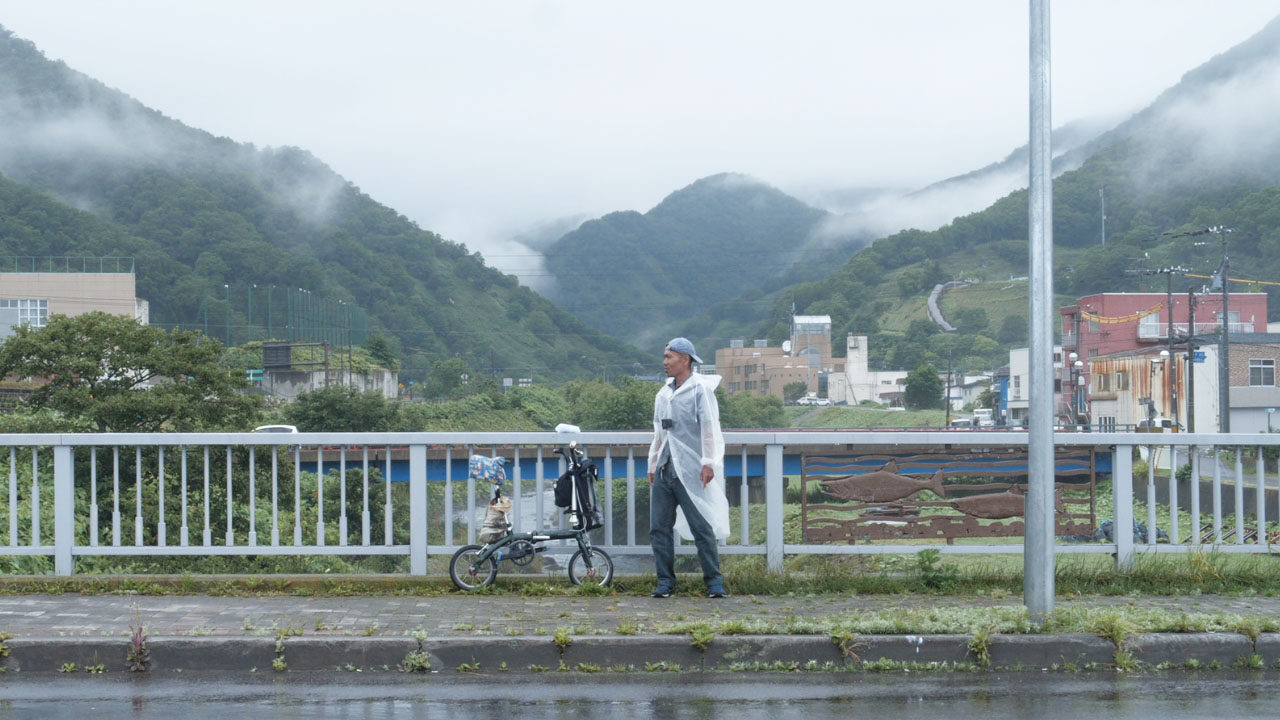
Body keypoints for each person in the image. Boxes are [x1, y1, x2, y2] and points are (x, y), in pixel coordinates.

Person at [647, 337, 730, 598]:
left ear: (686, 359)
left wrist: (708, 463)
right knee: (659, 528)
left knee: (701, 526)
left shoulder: (699, 390)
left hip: (692, 470)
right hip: (665, 469)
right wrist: (652, 463)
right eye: (665, 357)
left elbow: (708, 428)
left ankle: (714, 583)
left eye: (669, 357)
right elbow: (659, 433)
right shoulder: (663, 393)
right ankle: (665, 583)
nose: (665, 362)